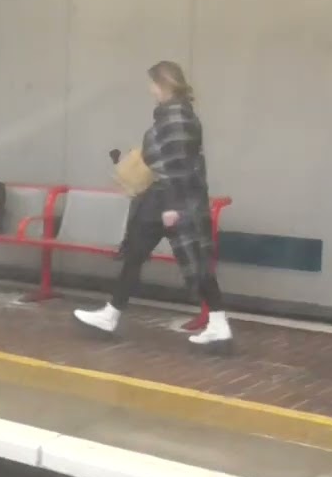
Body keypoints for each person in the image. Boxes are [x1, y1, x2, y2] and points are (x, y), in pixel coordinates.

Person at [74, 60, 232, 351]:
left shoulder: (176, 118)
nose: (150, 90)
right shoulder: (176, 115)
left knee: (193, 262)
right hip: (167, 199)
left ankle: (219, 324)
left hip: (173, 201)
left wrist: (171, 206)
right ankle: (111, 314)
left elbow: (176, 166)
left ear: (164, 84)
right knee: (139, 253)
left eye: (153, 84)